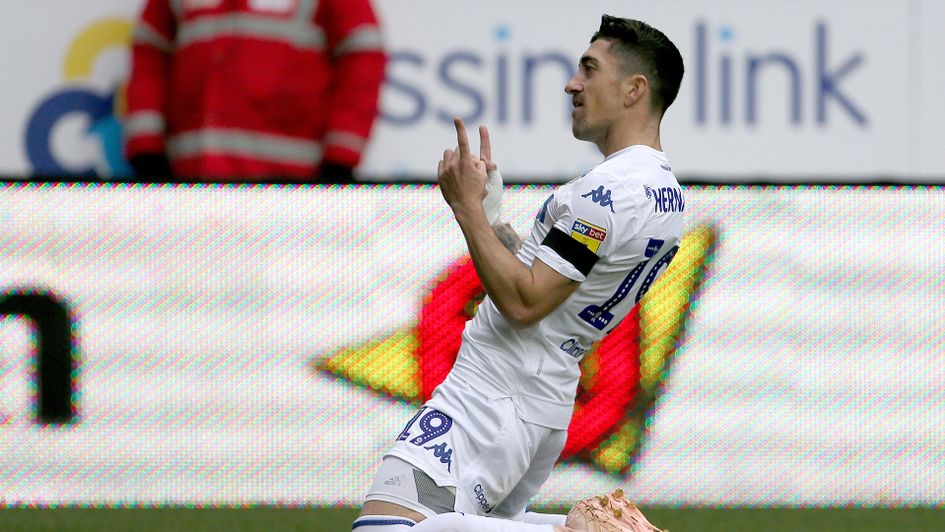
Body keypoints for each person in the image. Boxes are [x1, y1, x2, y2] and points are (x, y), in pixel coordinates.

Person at [353, 14, 684, 532]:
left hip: (494, 393)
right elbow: (557, 277)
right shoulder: (664, 193)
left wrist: (465, 211)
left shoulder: (605, 192)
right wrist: (492, 218)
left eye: (590, 70)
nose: (573, 84)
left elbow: (525, 301)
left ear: (634, 89)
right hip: (540, 399)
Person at [123, 0, 387, 183]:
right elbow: (150, 50)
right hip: (191, 186)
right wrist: (147, 150)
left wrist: (340, 159)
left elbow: (362, 53)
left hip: (289, 193)